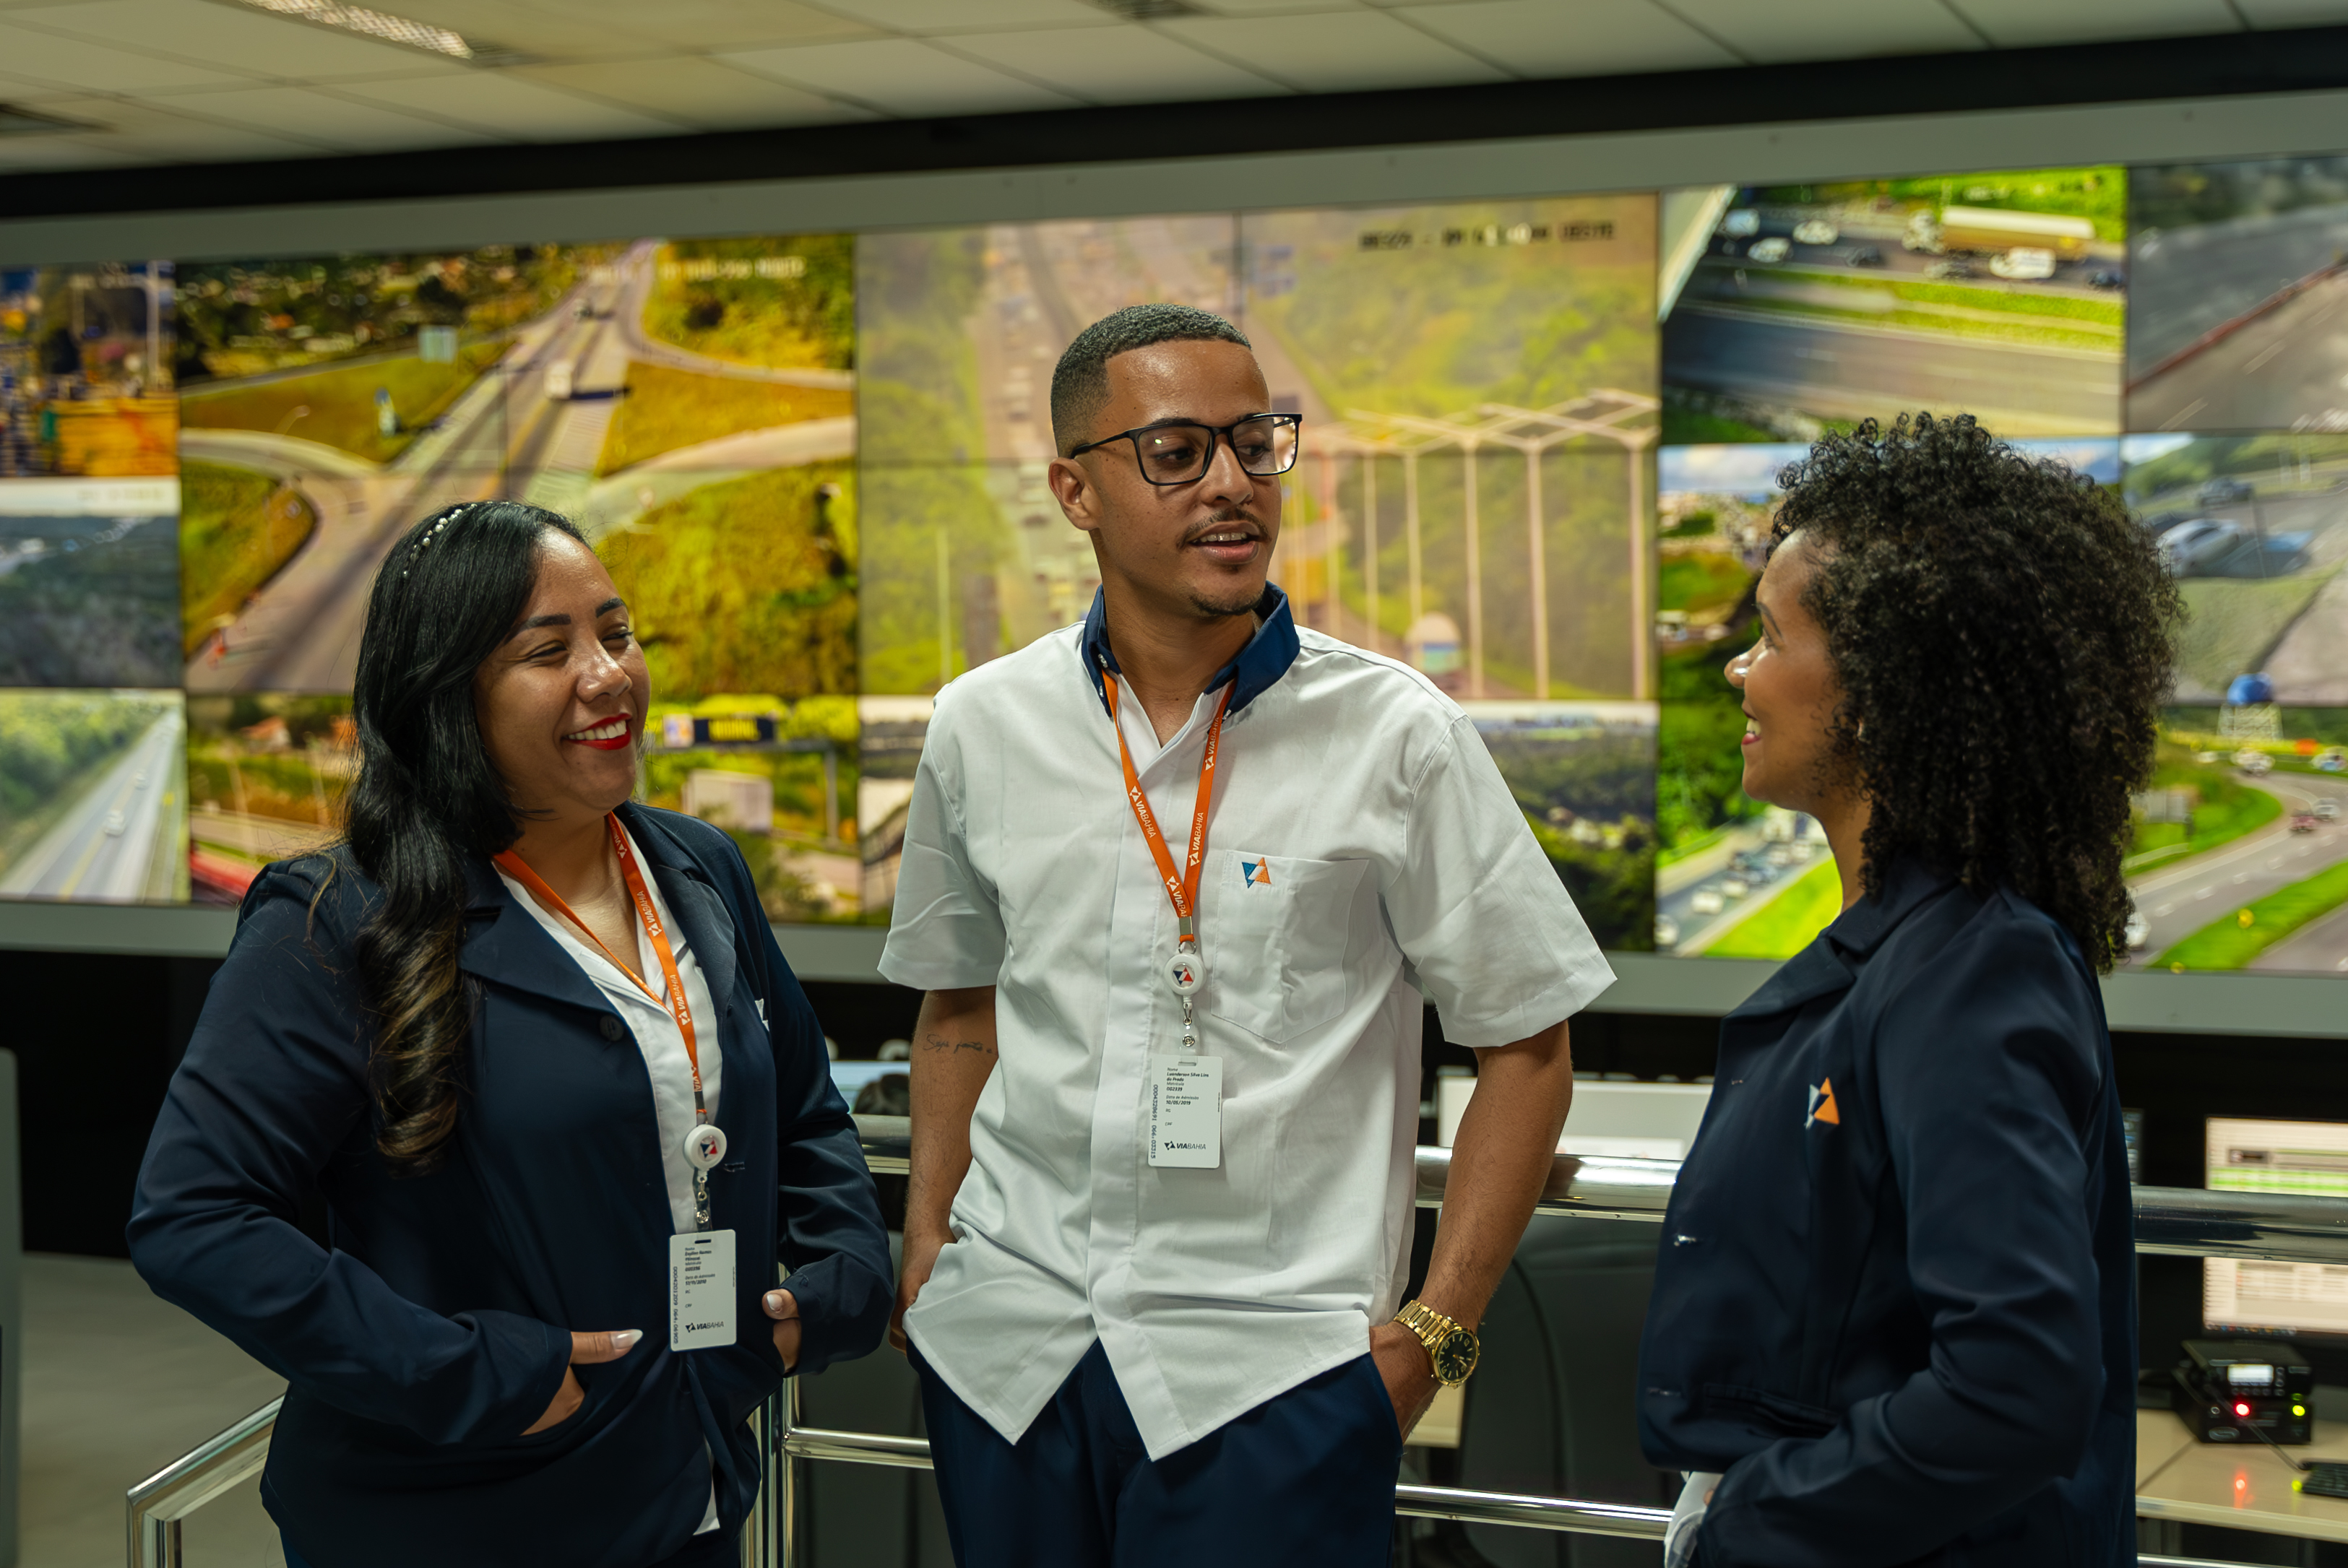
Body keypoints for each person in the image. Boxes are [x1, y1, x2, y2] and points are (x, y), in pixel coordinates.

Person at [880, 303, 1615, 1567]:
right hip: (1011, 1354)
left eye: (1254, 442)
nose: (1231, 483)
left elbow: (1526, 1044)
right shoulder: (981, 723)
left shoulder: (1397, 734)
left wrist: (1434, 1334)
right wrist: (928, 1249)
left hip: (1273, 1382)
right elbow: (960, 1002)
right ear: (1074, 491)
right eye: (1175, 452)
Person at [129, 501, 892, 1568]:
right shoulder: (343, 919)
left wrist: (840, 1280)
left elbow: (802, 1109)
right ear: (449, 698)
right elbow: (194, 1216)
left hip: (692, 1483)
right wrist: (468, 1371)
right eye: (548, 651)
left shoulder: (699, 870)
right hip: (460, 1513)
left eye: (616, 634)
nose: (607, 675)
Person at [1637, 415, 2179, 1567]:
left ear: (1880, 692)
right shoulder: (1919, 950)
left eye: (1767, 636)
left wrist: (1746, 1520)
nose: (1738, 668)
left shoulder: (1974, 970)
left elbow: (2012, 1390)